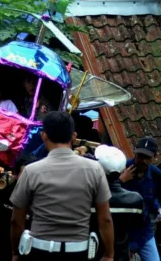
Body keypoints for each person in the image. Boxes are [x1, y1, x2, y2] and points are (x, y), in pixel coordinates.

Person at [10, 112, 114, 261]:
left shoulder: (31, 171)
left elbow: (16, 220)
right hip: (78, 252)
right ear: (73, 136)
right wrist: (109, 254)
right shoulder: (95, 169)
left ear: (44, 135)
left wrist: (15, 252)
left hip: (39, 251)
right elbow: (105, 219)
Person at [94, 145, 144, 261]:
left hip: (94, 254)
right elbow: (138, 225)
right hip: (121, 254)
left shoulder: (88, 197)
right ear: (123, 170)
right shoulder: (135, 200)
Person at [119, 136, 161, 261]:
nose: (143, 160)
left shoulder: (156, 175)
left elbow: (154, 198)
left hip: (144, 232)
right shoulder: (122, 168)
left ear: (155, 157)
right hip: (121, 232)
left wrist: (158, 208)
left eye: (147, 157)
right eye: (140, 156)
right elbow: (106, 194)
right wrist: (121, 181)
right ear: (134, 152)